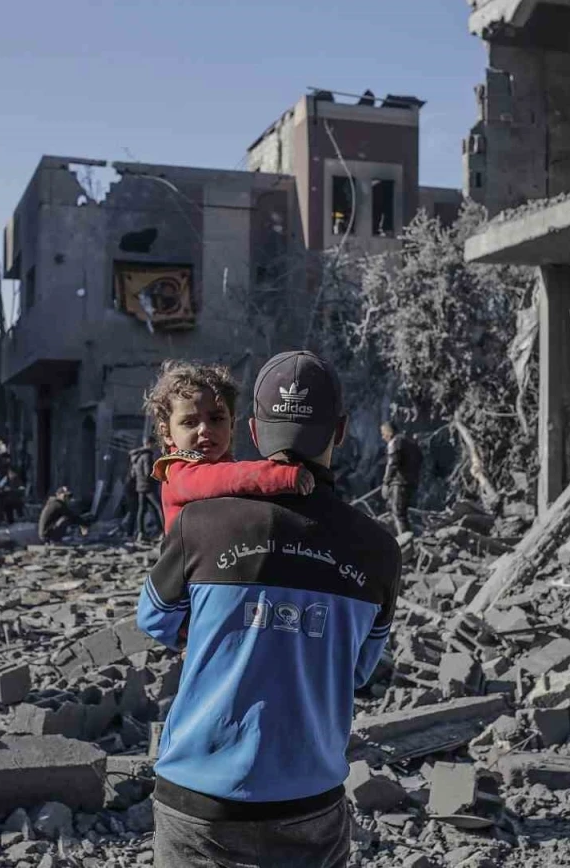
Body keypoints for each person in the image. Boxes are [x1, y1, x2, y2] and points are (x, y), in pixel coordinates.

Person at [137, 350, 402, 868]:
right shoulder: (380, 552)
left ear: (253, 431)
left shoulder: (200, 524)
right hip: (308, 801)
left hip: (199, 803)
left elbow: (155, 620)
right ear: (341, 430)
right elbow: (358, 670)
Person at [145, 360, 313, 535]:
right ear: (167, 433)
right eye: (189, 422)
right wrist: (280, 475)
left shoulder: (225, 464)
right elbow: (222, 478)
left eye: (216, 419)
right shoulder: (178, 471)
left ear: (231, 425)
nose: (204, 429)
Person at [380, 421, 423, 536]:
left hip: (399, 482)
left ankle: (405, 540)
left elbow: (392, 464)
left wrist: (386, 482)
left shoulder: (394, 442)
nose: (383, 437)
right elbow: (419, 459)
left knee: (398, 512)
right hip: (412, 482)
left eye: (383, 434)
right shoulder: (410, 442)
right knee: (400, 511)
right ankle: (406, 537)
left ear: (389, 432)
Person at [128, 436, 163, 542]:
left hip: (140, 487)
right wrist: (158, 479)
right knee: (159, 508)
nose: (154, 447)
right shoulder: (147, 456)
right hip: (148, 486)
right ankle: (164, 532)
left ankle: (141, 533)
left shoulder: (136, 456)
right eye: (153, 444)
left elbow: (133, 474)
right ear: (148, 444)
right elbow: (148, 473)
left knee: (142, 510)